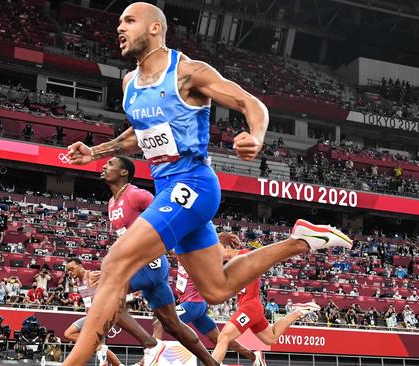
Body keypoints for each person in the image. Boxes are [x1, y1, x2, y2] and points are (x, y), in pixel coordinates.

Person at [63, 2, 352, 363]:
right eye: (119, 21)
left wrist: (256, 136)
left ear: (155, 28)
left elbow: (252, 104)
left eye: (129, 20)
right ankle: (300, 241)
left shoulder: (187, 73)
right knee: (216, 289)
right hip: (170, 189)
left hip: (194, 184)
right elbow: (139, 133)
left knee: (115, 264)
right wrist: (96, 152)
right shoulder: (129, 83)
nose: (119, 27)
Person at [101, 155, 222, 365]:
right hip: (139, 266)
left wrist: (183, 244)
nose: (104, 165)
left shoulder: (137, 195)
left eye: (110, 163)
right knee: (172, 325)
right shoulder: (112, 203)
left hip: (150, 263)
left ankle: (151, 345)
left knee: (105, 297)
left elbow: (172, 215)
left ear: (124, 172)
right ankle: (213, 364)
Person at [211, 233, 321, 364]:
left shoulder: (245, 255)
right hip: (252, 307)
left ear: (228, 248)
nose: (216, 254)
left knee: (224, 336)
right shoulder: (230, 263)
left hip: (250, 306)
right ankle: (298, 312)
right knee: (271, 337)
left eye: (218, 249)